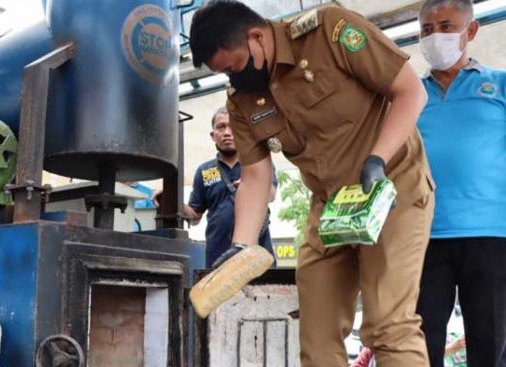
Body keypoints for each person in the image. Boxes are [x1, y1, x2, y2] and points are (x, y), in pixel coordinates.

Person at [189, 1, 434, 365]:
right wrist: (242, 245)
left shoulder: (328, 32)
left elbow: (410, 91)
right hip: (331, 205)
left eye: (234, 66)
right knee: (316, 337)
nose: (233, 79)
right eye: (223, 73)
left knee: (388, 326)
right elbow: (256, 174)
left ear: (256, 36)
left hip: (389, 186)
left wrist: (377, 158)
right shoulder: (241, 100)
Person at [415, 1, 506, 366]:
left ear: (470, 31)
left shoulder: (499, 84)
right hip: (423, 235)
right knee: (421, 342)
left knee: (490, 342)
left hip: (491, 233)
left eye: (446, 26)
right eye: (426, 29)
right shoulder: (409, 94)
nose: (436, 35)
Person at [154, 107, 277, 267]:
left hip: (257, 254)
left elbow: (271, 195)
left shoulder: (256, 163)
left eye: (232, 127)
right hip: (218, 257)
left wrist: (252, 189)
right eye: (221, 127)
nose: (227, 132)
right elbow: (195, 216)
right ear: (213, 135)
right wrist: (173, 199)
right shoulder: (204, 171)